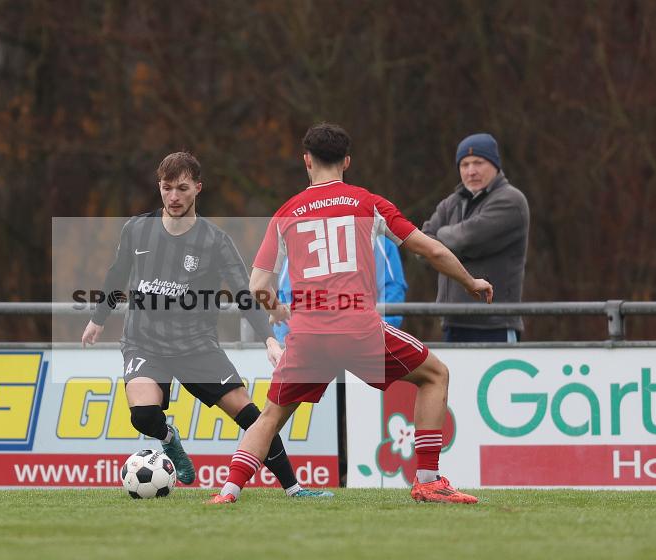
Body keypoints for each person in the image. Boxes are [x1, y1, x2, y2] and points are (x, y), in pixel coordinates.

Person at [209, 123, 492, 505]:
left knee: (272, 414)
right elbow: (431, 250)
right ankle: (428, 480)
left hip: (308, 335)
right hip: (359, 331)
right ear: (346, 161)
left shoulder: (287, 212)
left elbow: (258, 284)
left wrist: (279, 311)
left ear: (306, 160)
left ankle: (228, 492)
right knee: (435, 375)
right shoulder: (368, 203)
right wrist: (470, 281)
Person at [81, 151, 331, 498]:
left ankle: (294, 487)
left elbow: (245, 293)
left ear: (198, 188)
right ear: (159, 187)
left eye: (182, 188)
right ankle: (169, 440)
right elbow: (117, 274)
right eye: (167, 188)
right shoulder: (137, 230)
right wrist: (98, 319)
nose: (174, 196)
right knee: (143, 415)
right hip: (144, 342)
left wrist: (269, 340)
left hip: (197, 347)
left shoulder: (215, 242)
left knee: (252, 416)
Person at [422, 133, 529, 342]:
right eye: (464, 164)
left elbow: (466, 239)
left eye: (478, 163)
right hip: (452, 323)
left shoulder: (511, 201)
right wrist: (446, 244)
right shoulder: (451, 202)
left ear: (495, 165)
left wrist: (441, 237)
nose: (471, 171)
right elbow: (422, 244)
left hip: (495, 325)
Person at [273, 235, 407, 342]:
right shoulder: (303, 243)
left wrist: (374, 338)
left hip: (366, 347)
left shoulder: (378, 242)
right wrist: (286, 343)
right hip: (311, 348)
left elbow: (392, 296)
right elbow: (286, 297)